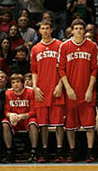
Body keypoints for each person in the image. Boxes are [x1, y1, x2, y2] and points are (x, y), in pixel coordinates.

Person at [58, 19, 98, 162]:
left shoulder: (92, 46)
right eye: (77, 28)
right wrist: (68, 88)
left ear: (84, 31)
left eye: (81, 28)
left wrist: (89, 89)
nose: (79, 31)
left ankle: (90, 152)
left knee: (90, 126)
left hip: (87, 91)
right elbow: (61, 69)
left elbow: (94, 69)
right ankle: (72, 152)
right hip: (71, 91)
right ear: (72, 30)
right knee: (70, 126)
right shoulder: (64, 46)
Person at [30, 22, 65, 163]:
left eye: (47, 29)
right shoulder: (35, 48)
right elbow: (34, 71)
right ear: (39, 31)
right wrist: (35, 87)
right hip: (41, 90)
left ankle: (59, 151)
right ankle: (44, 152)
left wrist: (60, 85)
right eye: (42, 29)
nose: (45, 31)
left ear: (51, 30)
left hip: (56, 88)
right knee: (43, 124)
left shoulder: (59, 46)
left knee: (58, 124)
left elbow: (65, 67)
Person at [2, 73, 38, 163]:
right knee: (4, 123)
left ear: (23, 83)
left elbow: (34, 111)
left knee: (33, 123)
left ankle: (34, 151)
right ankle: (9, 152)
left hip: (26, 118)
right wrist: (10, 115)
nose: (16, 84)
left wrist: (22, 116)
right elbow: (5, 111)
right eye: (13, 82)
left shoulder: (30, 92)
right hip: (14, 120)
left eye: (18, 82)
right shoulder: (8, 93)